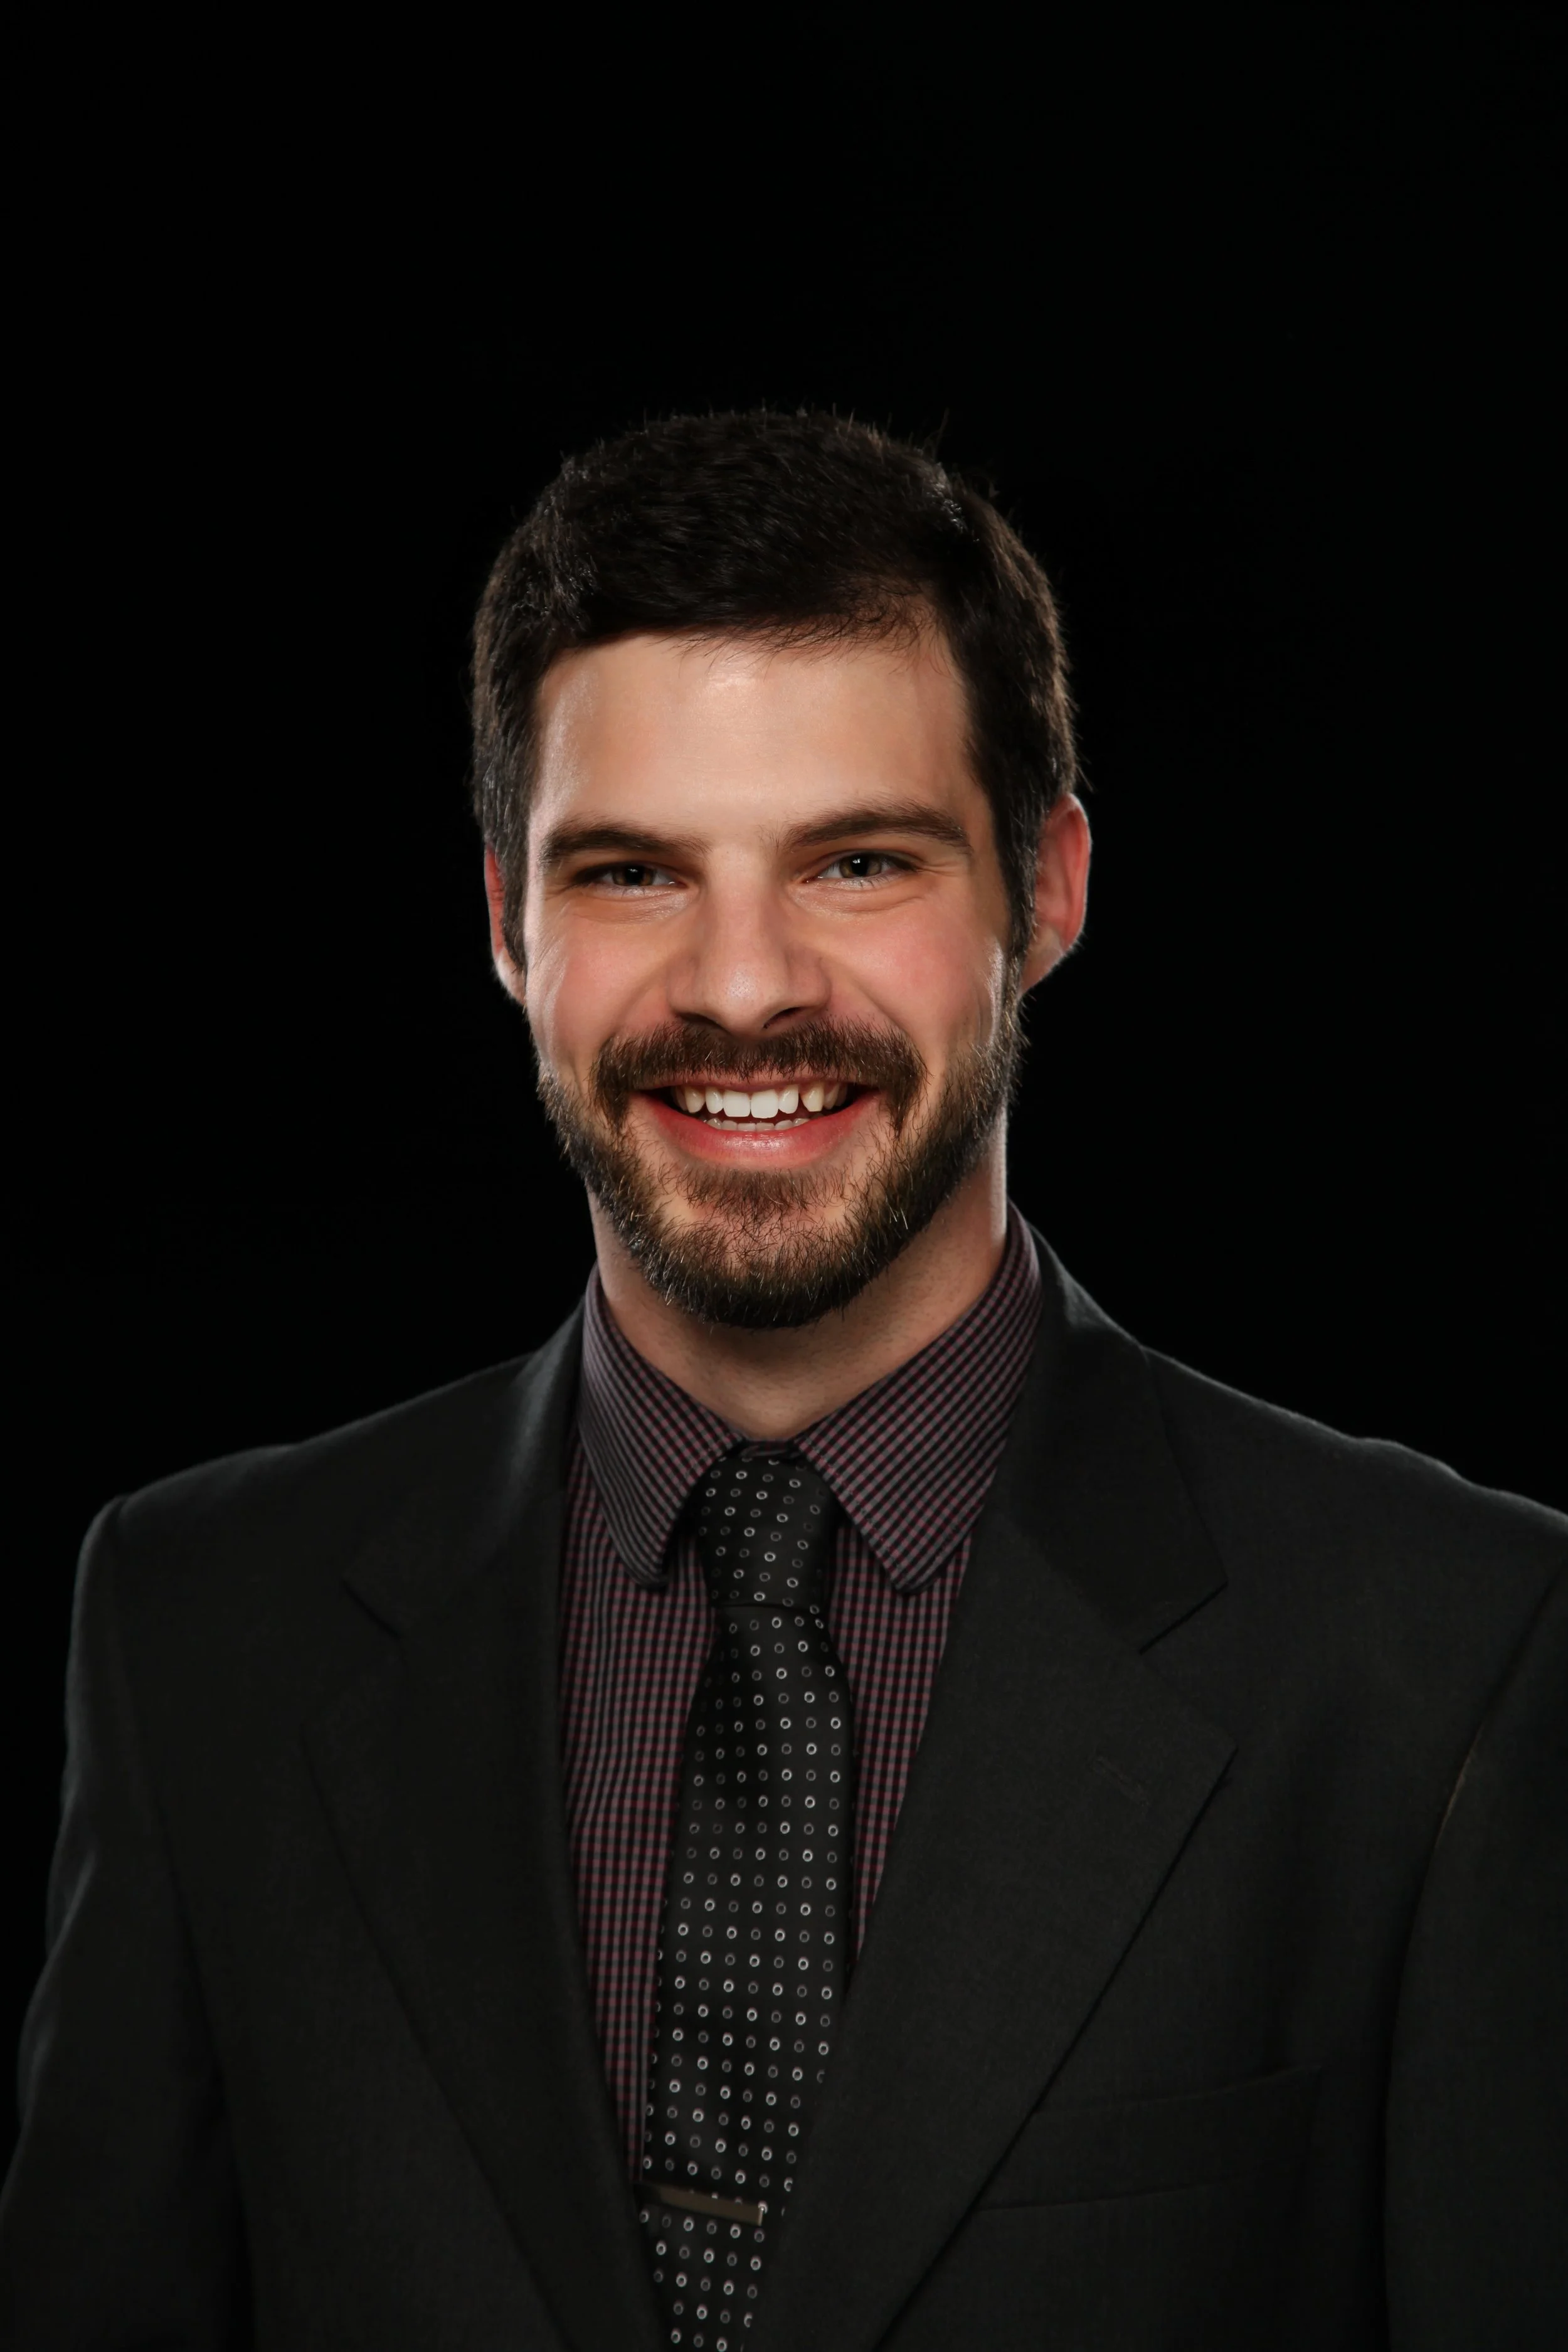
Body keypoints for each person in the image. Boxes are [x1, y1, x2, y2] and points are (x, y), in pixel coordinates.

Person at [2, 410, 1562, 2351]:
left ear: (1048, 889)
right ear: (506, 922)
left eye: (854, 859)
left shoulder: (1443, 1656)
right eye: (635, 872)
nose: (742, 987)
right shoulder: (195, 1627)